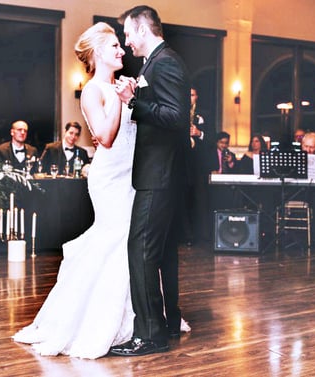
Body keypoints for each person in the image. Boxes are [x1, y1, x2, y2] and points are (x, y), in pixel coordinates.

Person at [13, 21, 140, 359]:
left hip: (130, 176)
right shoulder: (93, 90)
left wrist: (130, 99)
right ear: (98, 51)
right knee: (115, 241)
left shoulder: (119, 86)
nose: (121, 50)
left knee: (130, 242)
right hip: (110, 178)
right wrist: (119, 99)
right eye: (114, 46)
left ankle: (136, 318)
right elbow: (107, 137)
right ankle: (102, 322)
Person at [109, 5, 190, 357]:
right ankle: (166, 323)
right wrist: (138, 96)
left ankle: (150, 334)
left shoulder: (166, 62)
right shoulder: (155, 63)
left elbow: (175, 116)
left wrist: (132, 102)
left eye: (128, 34)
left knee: (140, 249)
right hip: (160, 173)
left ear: (143, 30)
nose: (126, 42)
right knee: (157, 252)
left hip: (161, 174)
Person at [181, 86, 215, 245]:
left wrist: (199, 133)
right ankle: (186, 236)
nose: (189, 98)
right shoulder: (177, 112)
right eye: (187, 95)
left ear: (197, 97)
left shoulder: (205, 115)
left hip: (199, 164)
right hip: (182, 162)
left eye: (192, 95)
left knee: (201, 200)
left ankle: (203, 235)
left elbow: (211, 140)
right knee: (183, 199)